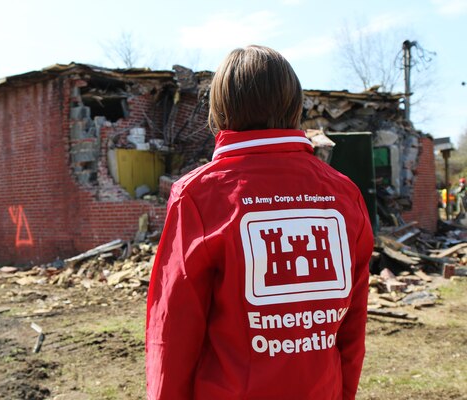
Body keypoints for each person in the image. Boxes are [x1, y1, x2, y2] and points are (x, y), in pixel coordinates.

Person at [146, 45, 373, 400]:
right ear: (294, 106)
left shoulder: (198, 197)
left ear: (219, 110)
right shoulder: (345, 196)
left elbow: (172, 333)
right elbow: (351, 331)